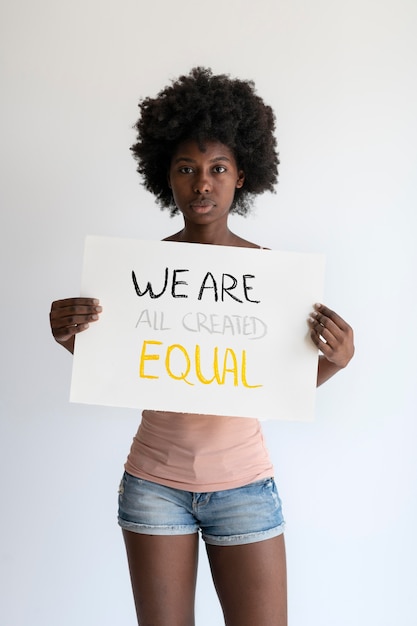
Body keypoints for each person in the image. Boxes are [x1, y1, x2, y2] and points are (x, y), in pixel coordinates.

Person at [50, 67, 354, 626]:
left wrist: (337, 362)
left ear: (242, 177)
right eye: (187, 169)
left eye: (218, 169)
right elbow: (124, 364)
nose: (202, 183)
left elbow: (273, 385)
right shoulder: (138, 273)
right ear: (167, 177)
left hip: (244, 485)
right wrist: (72, 337)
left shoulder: (271, 279)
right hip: (153, 485)